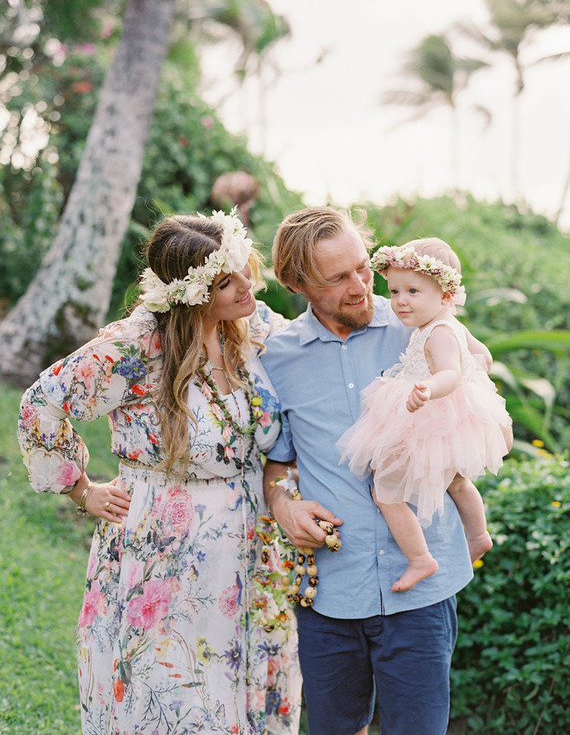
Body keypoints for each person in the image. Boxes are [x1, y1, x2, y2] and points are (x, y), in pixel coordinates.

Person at [17, 208, 302, 735]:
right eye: (225, 282)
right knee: (172, 692)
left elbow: (316, 348)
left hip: (248, 537)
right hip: (165, 545)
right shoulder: (135, 346)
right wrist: (81, 489)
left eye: (242, 268)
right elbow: (41, 404)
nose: (246, 286)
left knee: (242, 685)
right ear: (190, 294)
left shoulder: (252, 325)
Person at [260, 207, 475, 735]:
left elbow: (472, 400)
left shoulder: (418, 328)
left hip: (421, 590)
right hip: (330, 591)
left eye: (362, 267)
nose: (361, 287)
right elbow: (275, 464)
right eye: (338, 278)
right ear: (296, 283)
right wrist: (284, 505)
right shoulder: (278, 357)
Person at [337, 237, 513, 593]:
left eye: (413, 291)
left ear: (445, 295)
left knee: (386, 490)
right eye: (396, 290)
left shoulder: (440, 333)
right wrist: (475, 368)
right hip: (444, 418)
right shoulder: (448, 323)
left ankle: (421, 559)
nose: (400, 301)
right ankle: (478, 535)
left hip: (429, 411)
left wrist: (431, 387)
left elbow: (450, 372)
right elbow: (485, 356)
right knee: (457, 481)